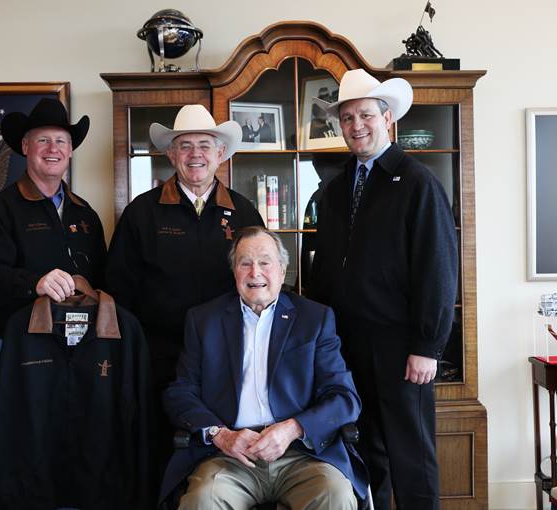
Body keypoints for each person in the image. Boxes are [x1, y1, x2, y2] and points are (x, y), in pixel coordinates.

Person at [309, 68, 458, 510]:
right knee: (364, 452)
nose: (357, 126)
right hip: (347, 346)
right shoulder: (335, 191)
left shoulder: (418, 183)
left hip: (402, 348)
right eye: (348, 118)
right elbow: (324, 272)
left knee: (410, 456)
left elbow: (437, 269)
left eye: (366, 115)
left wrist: (427, 346)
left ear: (387, 117)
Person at [104, 104, 263, 499]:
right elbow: (118, 291)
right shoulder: (142, 212)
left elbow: (263, 283)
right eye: (185, 145)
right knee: (162, 456)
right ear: (171, 155)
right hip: (161, 360)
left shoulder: (244, 212)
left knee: (224, 458)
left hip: (231, 358)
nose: (196, 154)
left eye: (204, 145)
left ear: (220, 154)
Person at [160, 226, 367, 509]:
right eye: (245, 263)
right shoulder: (203, 321)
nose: (255, 273)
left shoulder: (314, 319)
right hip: (230, 456)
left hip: (302, 455)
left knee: (335, 495)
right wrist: (221, 435)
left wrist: (292, 429)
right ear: (234, 272)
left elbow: (344, 397)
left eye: (265, 262)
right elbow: (181, 392)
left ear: (283, 270)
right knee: (202, 501)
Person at [0, 98, 106, 370]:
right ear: (25, 147)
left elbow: (105, 277)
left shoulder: (85, 214)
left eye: (61, 141)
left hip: (83, 346)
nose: (53, 149)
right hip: (22, 345)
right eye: (43, 140)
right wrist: (35, 283)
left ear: (71, 150)